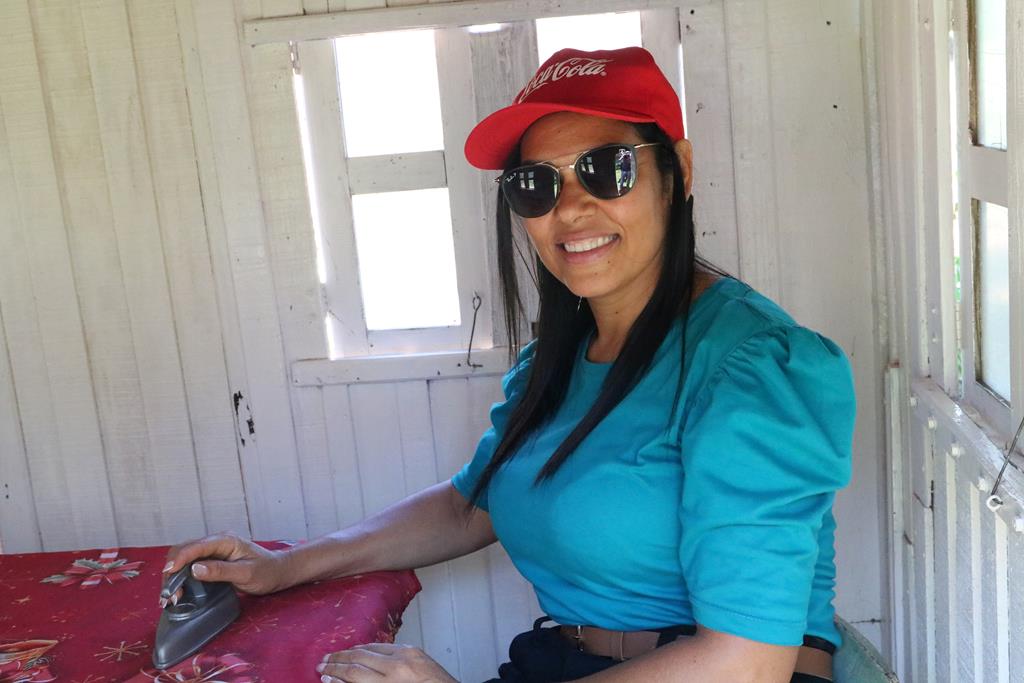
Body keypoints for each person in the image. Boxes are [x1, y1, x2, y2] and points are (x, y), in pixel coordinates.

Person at [163, 46, 855, 683]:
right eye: (536, 185)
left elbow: (745, 662)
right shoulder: (554, 361)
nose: (571, 208)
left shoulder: (751, 368)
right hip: (563, 662)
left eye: (607, 169)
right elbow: (470, 506)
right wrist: (286, 566)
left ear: (678, 173)